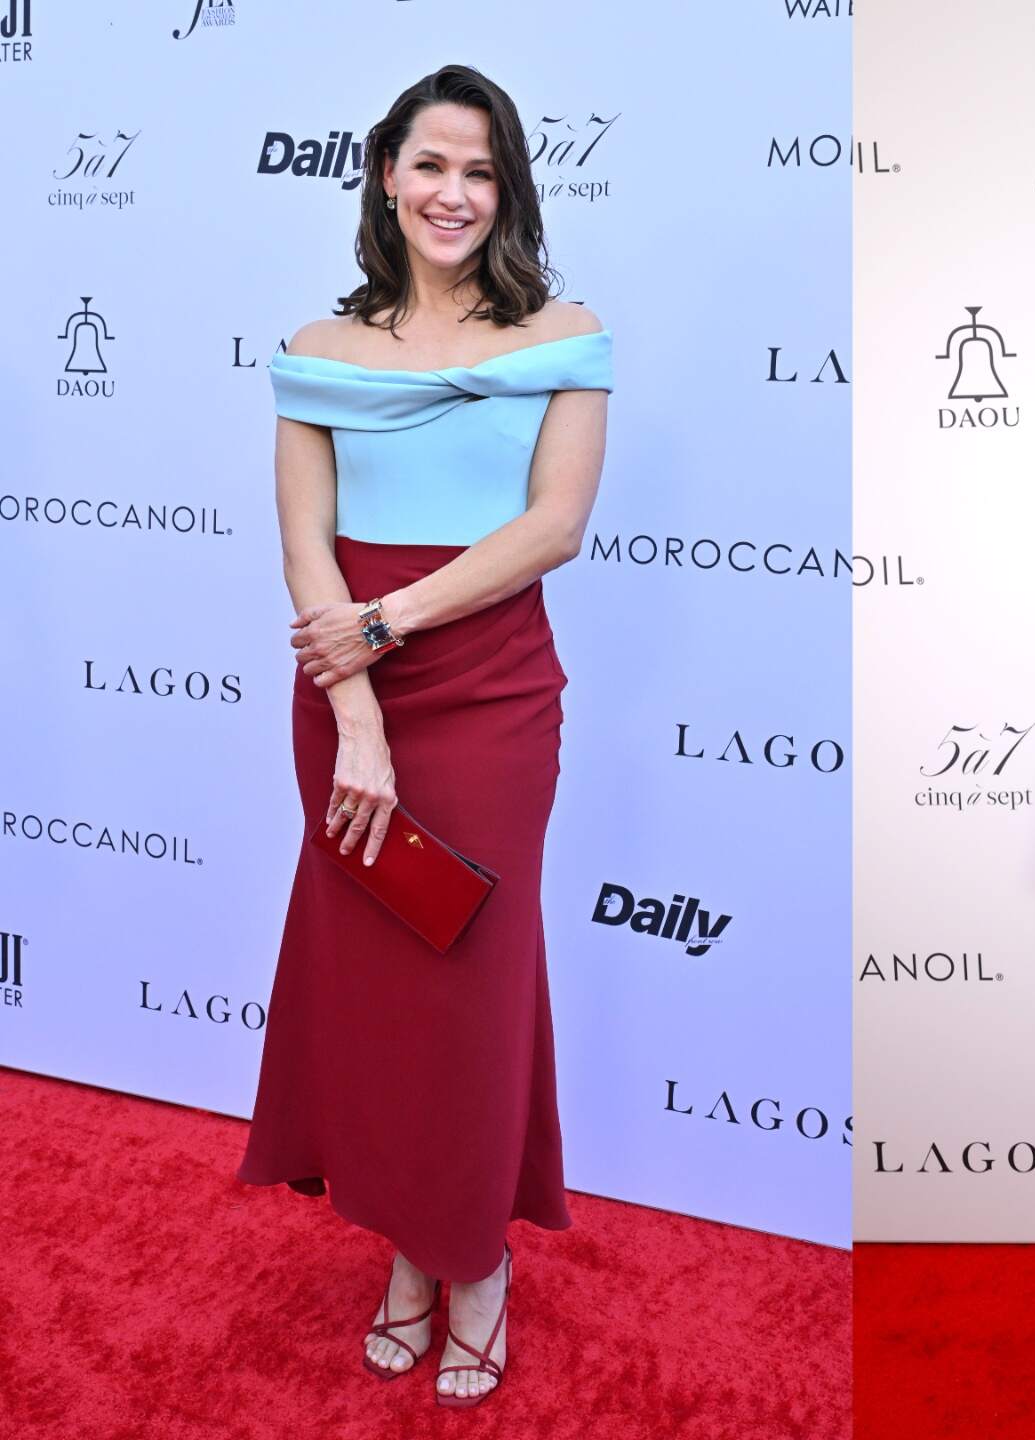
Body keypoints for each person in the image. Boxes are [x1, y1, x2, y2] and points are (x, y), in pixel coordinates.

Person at [234, 63, 611, 1412]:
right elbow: (305, 543)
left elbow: (553, 526)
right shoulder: (319, 348)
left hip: (490, 691)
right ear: (386, 174)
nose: (454, 194)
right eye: (432, 164)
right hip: (345, 700)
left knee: (472, 989)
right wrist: (356, 712)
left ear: (508, 190)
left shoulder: (563, 335)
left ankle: (475, 1258)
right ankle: (409, 1246)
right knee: (380, 992)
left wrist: (385, 630)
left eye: (481, 171)